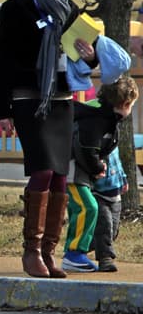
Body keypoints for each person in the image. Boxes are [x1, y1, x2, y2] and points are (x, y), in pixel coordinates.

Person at [0, 0, 96, 279]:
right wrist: (2, 110)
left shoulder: (71, 8)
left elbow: (85, 58)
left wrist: (89, 54)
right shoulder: (17, 8)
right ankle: (31, 250)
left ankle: (51, 250)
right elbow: (3, 61)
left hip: (62, 100)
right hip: (28, 99)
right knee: (42, 170)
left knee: (61, 175)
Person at [62, 50, 135, 273]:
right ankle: (74, 254)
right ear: (124, 104)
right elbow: (86, 149)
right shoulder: (97, 121)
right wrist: (96, 168)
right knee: (89, 207)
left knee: (100, 220)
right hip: (74, 170)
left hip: (88, 175)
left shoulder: (108, 122)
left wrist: (118, 176)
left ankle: (79, 250)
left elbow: (108, 154)